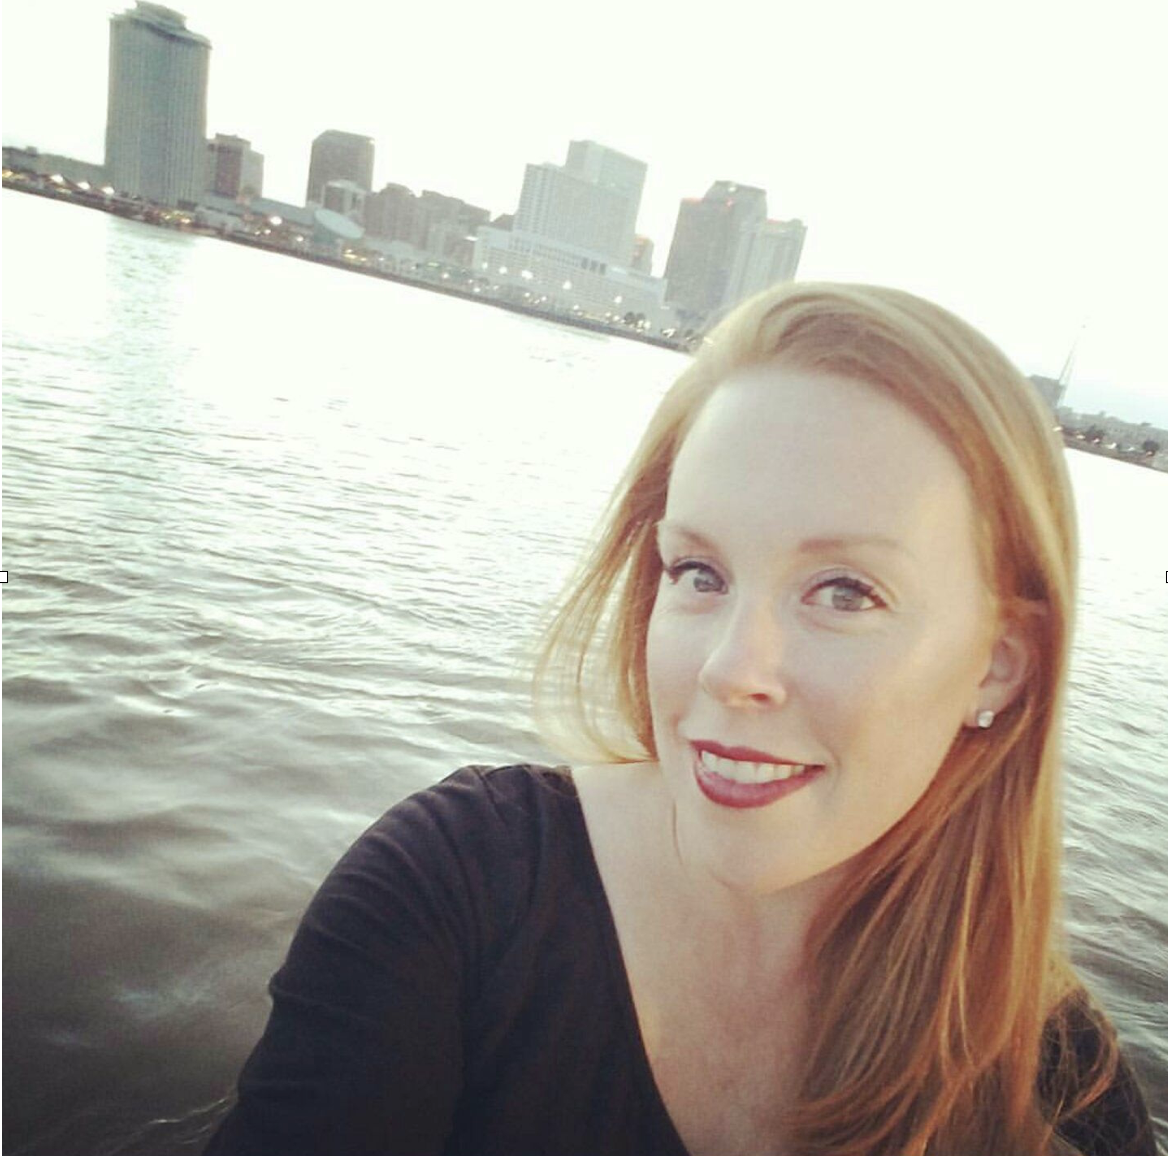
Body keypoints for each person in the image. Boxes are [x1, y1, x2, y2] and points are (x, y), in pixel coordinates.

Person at [204, 283, 1157, 1156]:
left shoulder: (1063, 1094)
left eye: (845, 591)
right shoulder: (452, 895)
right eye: (699, 573)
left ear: (998, 664)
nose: (730, 668)